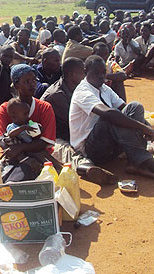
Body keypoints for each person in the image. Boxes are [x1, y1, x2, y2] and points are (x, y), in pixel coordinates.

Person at [69, 55, 154, 178]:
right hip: (91, 150)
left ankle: (134, 162)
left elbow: (125, 109)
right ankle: (144, 160)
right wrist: (142, 128)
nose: (101, 76)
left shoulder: (104, 88)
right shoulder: (83, 91)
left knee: (135, 107)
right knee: (110, 118)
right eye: (96, 73)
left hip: (109, 145)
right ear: (85, 71)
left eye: (103, 73)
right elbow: (109, 114)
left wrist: (146, 125)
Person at [41, 57, 118, 185]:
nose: (85, 74)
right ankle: (87, 169)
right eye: (82, 72)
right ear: (71, 74)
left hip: (69, 133)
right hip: (53, 136)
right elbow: (73, 122)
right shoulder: (57, 95)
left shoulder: (78, 88)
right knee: (71, 153)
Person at [0, 64, 56, 182]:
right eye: (27, 81)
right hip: (13, 156)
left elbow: (45, 142)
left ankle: (2, 188)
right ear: (16, 84)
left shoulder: (44, 108)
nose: (33, 84)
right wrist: (21, 156)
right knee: (15, 169)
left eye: (34, 80)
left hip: (40, 155)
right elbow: (2, 140)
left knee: (28, 170)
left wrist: (20, 148)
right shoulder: (5, 109)